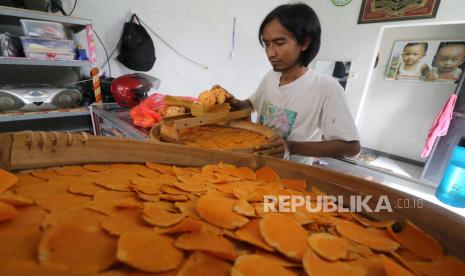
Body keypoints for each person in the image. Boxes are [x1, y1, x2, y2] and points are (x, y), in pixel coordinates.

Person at [227, 3, 360, 164]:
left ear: (304, 43)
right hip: (257, 168)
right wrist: (235, 103)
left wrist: (290, 147)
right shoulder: (271, 77)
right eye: (267, 44)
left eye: (279, 43)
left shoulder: (326, 89)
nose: (271, 52)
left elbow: (351, 147)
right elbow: (251, 105)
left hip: (292, 178)